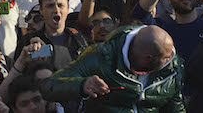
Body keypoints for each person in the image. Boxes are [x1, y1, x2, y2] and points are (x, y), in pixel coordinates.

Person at [40, 25, 184, 111]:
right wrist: (82, 85)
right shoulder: (99, 57)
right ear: (148, 58)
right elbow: (48, 87)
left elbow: (175, 107)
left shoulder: (172, 67)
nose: (172, 59)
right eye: (166, 57)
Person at [15, 0, 88, 73]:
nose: (56, 10)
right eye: (50, 6)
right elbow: (18, 76)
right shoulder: (28, 42)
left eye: (60, 5)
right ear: (41, 10)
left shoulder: (78, 40)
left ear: (68, 8)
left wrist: (49, 51)